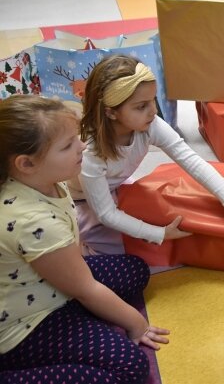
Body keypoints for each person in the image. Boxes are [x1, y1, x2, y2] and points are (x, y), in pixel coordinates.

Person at [0, 95, 169, 383]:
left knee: (134, 271)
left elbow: (75, 262)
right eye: (67, 146)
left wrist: (81, 285)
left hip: (54, 285)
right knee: (130, 367)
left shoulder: (47, 179)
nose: (82, 146)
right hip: (27, 326)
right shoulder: (32, 221)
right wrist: (137, 325)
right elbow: (86, 288)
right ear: (26, 163)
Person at [70, 55, 224, 256]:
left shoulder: (150, 124)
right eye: (141, 106)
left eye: (153, 100)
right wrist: (158, 234)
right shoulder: (91, 154)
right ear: (110, 112)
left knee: (152, 219)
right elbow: (106, 214)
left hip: (116, 184)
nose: (153, 111)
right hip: (79, 201)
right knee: (126, 250)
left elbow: (191, 160)